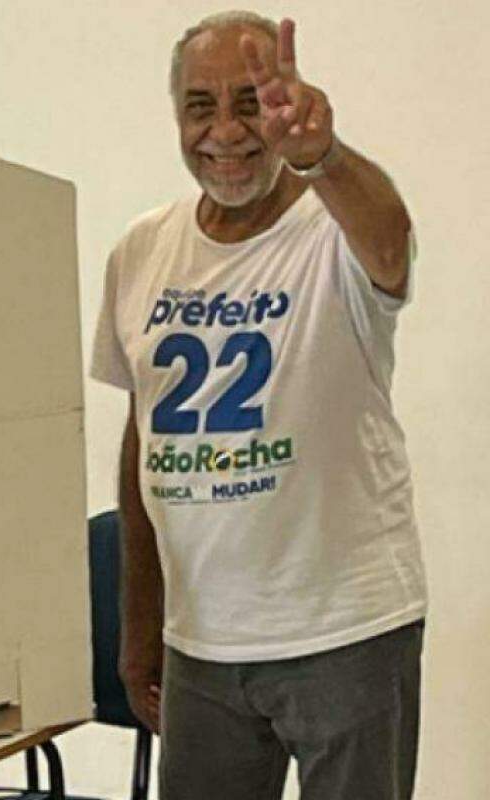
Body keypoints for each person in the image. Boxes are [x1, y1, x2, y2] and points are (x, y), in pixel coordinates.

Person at [89, 10, 427, 800]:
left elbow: (389, 240)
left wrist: (323, 158)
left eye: (250, 102)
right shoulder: (142, 248)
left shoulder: (331, 231)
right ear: (176, 116)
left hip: (347, 631)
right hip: (203, 646)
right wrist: (142, 621)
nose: (227, 132)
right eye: (200, 106)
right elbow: (144, 443)